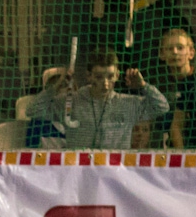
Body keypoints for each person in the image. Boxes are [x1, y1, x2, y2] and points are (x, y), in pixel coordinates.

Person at [26, 48, 169, 148]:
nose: (105, 84)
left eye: (110, 77)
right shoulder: (71, 101)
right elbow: (33, 111)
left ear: (117, 75)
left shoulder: (128, 103)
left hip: (116, 172)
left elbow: (162, 106)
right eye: (99, 77)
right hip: (79, 170)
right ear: (89, 76)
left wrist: (143, 85)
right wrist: (55, 87)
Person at [144, 28, 196, 145]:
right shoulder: (158, 86)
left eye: (180, 48)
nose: (175, 52)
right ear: (161, 54)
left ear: (191, 53)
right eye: (169, 48)